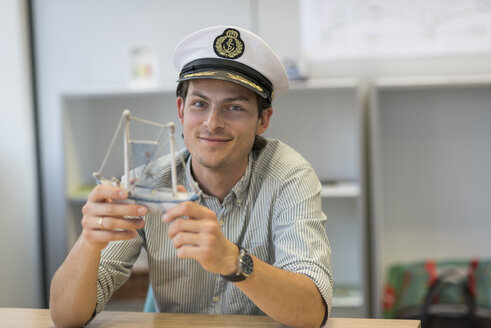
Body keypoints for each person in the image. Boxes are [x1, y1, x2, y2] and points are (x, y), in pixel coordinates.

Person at [49, 26, 333, 328]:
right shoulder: (146, 181)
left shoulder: (290, 176)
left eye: (234, 107)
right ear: (181, 110)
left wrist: (232, 261)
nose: (212, 123)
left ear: (262, 120)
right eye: (200, 104)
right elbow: (66, 318)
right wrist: (90, 242)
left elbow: (312, 312)